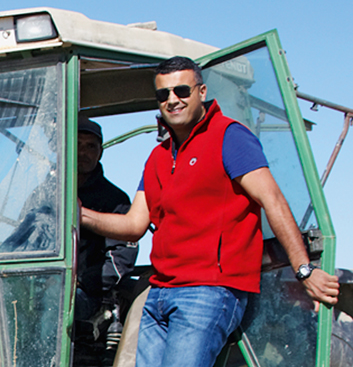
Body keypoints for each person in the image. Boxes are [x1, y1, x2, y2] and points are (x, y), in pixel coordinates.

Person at [81, 57, 339, 367]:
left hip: (207, 292)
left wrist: (304, 269)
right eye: (163, 94)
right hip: (161, 291)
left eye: (181, 91)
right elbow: (135, 224)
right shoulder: (158, 157)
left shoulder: (229, 136)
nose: (172, 100)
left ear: (201, 91)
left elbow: (274, 201)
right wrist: (80, 214)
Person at [76, 115, 138, 321]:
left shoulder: (115, 200)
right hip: (45, 288)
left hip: (88, 294)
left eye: (91, 146)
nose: (83, 152)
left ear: (100, 153)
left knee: (58, 309)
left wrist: (80, 281)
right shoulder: (48, 196)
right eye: (77, 145)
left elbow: (121, 258)